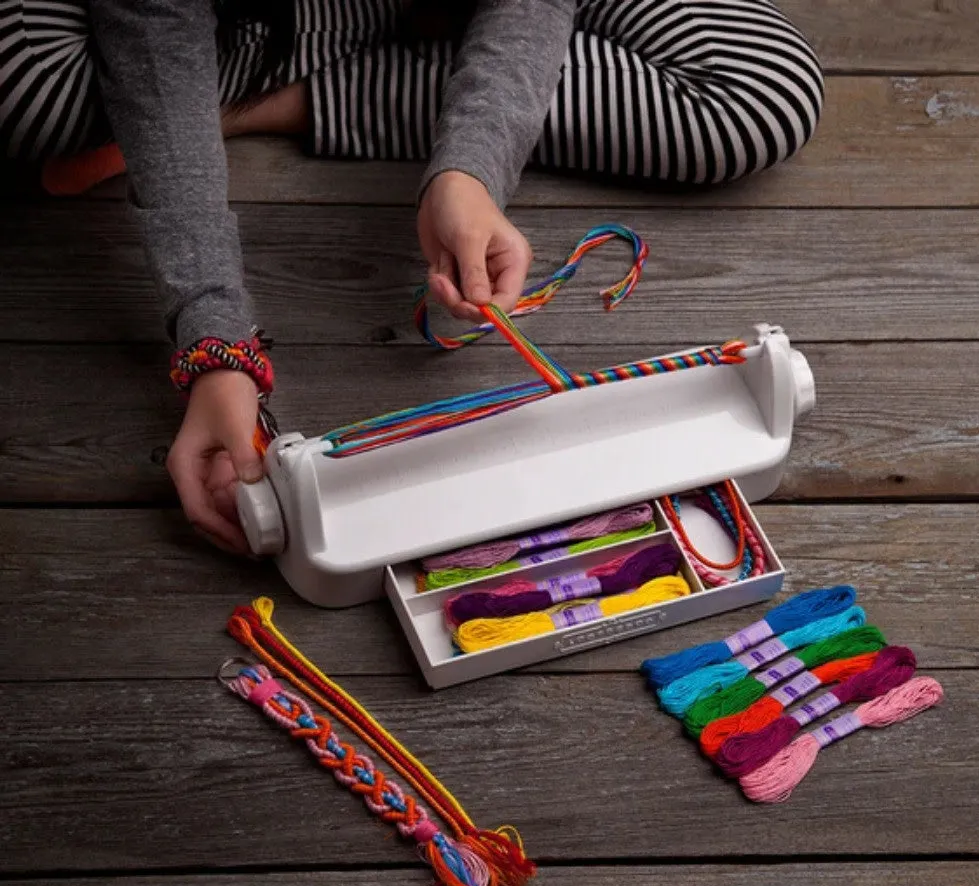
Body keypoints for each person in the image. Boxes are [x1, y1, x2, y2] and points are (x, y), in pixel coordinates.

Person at [1, 0, 823, 553]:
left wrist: (468, 171)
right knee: (26, 79)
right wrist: (213, 339)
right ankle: (309, 79)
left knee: (762, 92)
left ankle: (271, 103)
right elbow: (150, 21)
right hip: (251, 16)